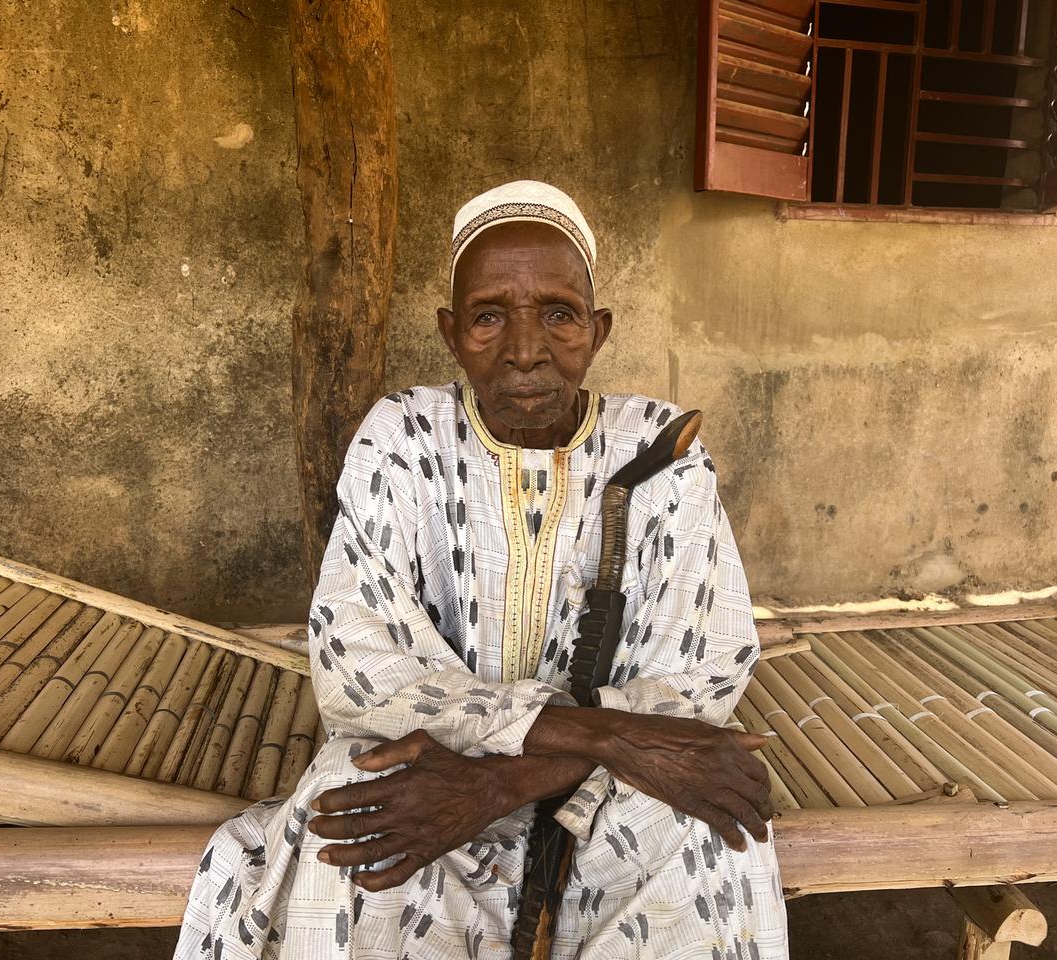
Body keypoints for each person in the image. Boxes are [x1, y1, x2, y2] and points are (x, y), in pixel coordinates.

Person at [174, 180, 788, 960]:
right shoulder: (400, 435)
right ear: (451, 332)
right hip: (448, 749)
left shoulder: (662, 447)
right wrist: (603, 736)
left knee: (714, 829)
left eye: (559, 315)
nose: (525, 350)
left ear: (597, 332)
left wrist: (501, 784)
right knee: (354, 831)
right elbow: (360, 666)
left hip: (613, 777)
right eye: (490, 315)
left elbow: (700, 672)